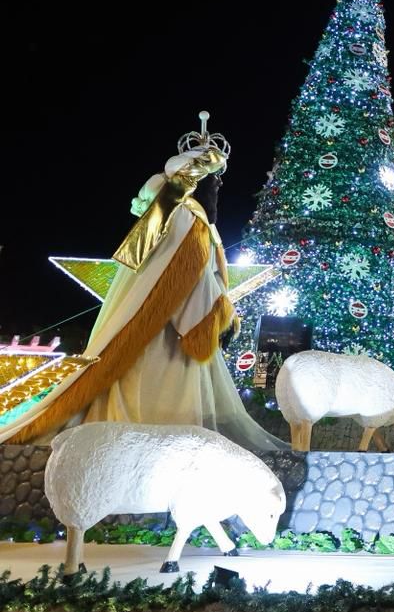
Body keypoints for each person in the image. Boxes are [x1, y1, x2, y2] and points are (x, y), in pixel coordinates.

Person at [0, 113, 286, 451]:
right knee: (160, 412)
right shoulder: (187, 219)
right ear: (196, 182)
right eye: (215, 183)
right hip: (169, 338)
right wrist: (219, 315)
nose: (219, 189)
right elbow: (186, 282)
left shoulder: (174, 217)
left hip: (160, 328)